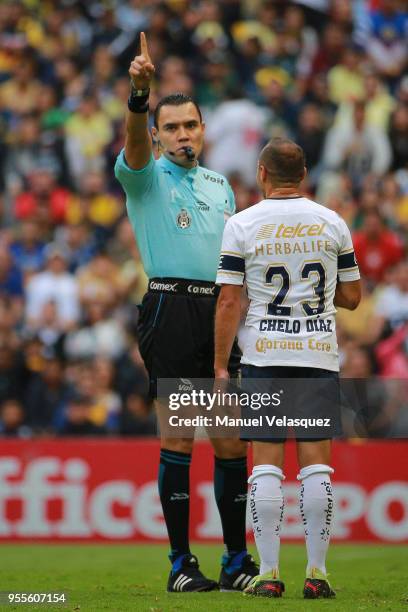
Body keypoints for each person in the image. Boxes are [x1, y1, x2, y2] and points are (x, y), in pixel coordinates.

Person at [114, 33, 257, 593]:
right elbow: (133, 141)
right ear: (157, 134)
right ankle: (179, 563)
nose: (182, 135)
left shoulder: (222, 186)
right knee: (178, 438)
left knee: (229, 440)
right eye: (171, 127)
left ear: (203, 129)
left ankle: (235, 561)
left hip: (220, 313)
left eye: (190, 125)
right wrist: (138, 94)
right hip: (171, 307)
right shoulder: (144, 174)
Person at [215, 137, 361, 598]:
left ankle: (270, 573)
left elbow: (229, 301)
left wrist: (220, 366)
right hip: (317, 354)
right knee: (317, 468)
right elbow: (353, 297)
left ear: (261, 174)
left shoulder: (242, 224)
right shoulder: (332, 222)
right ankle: (317, 575)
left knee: (266, 469)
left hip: (264, 358)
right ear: (303, 175)